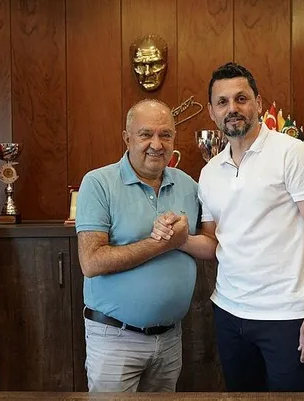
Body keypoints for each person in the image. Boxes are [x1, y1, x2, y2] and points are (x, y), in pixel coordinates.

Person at [153, 62, 304, 392]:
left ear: (258, 102)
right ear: (211, 111)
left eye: (241, 98)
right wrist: (179, 239)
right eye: (222, 102)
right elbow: (212, 244)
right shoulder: (210, 172)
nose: (233, 108)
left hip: (287, 316)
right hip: (229, 313)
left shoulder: (293, 154)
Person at [75, 99, 217, 393]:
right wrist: (162, 243)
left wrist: (182, 239)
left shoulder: (189, 185)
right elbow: (91, 262)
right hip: (115, 338)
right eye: (146, 134)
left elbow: (211, 245)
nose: (156, 144)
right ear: (127, 138)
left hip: (169, 339)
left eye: (165, 135)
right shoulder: (98, 183)